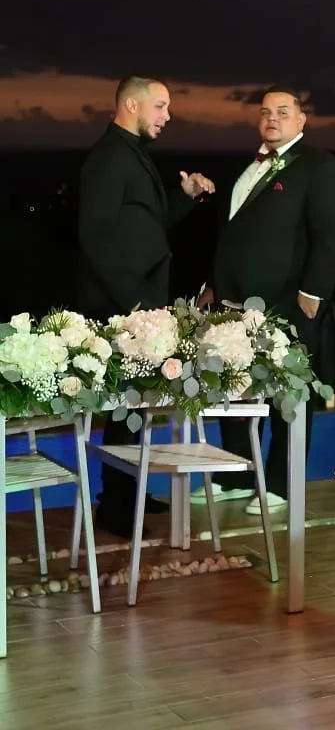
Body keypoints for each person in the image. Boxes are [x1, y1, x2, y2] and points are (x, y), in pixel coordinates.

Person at [76, 76, 215, 538]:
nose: (167, 116)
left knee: (131, 410)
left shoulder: (130, 154)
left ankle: (126, 496)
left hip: (139, 309)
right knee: (121, 409)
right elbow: (94, 236)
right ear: (131, 104)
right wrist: (131, 306)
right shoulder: (109, 158)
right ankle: (115, 508)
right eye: (160, 106)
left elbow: (149, 225)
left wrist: (186, 196)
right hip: (122, 309)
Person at [202, 86, 335, 512]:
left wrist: (313, 293)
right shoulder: (245, 168)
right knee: (231, 390)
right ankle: (233, 475)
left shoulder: (320, 166)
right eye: (266, 112)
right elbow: (232, 234)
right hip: (232, 306)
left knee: (287, 397)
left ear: (301, 120)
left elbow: (331, 235)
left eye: (283, 112)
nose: (272, 118)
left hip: (287, 304)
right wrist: (213, 284)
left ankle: (281, 485)